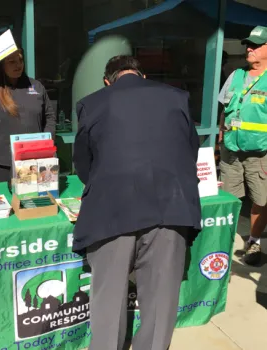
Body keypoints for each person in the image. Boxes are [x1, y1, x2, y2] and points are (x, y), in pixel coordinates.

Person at [72, 55, 201, 350]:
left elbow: (84, 166)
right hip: (171, 209)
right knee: (160, 306)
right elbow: (189, 151)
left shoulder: (92, 103)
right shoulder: (177, 97)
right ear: (141, 76)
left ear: (108, 81)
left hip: (111, 214)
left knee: (108, 304)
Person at [0, 49, 56, 182]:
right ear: (1, 65)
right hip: (0, 162)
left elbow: (49, 117)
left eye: (20, 60)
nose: (18, 65)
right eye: (12, 62)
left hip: (32, 159)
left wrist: (46, 144)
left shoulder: (36, 86)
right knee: (5, 201)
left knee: (30, 201)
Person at [218, 26, 267, 266]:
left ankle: (254, 240)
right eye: (249, 44)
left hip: (261, 153)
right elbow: (223, 110)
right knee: (229, 197)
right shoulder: (235, 75)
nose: (250, 48)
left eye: (256, 45)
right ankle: (223, 243)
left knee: (261, 199)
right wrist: (220, 138)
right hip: (231, 151)